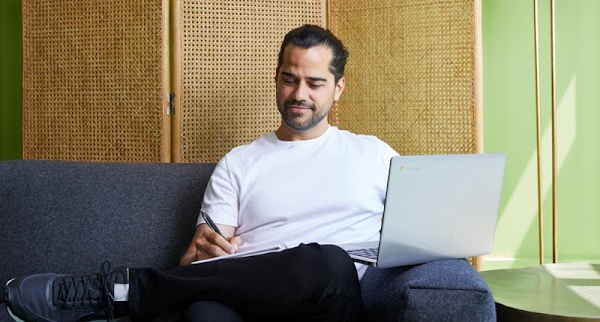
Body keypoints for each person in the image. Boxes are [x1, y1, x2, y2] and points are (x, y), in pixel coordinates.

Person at [3, 24, 398, 322]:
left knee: (327, 262)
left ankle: (118, 290)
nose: (299, 94)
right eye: (289, 79)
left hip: (333, 296)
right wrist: (201, 252)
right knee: (204, 312)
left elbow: (419, 232)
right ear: (276, 78)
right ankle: (127, 291)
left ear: (338, 87)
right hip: (251, 298)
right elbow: (195, 261)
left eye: (315, 83)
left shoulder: (374, 154)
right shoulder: (240, 163)